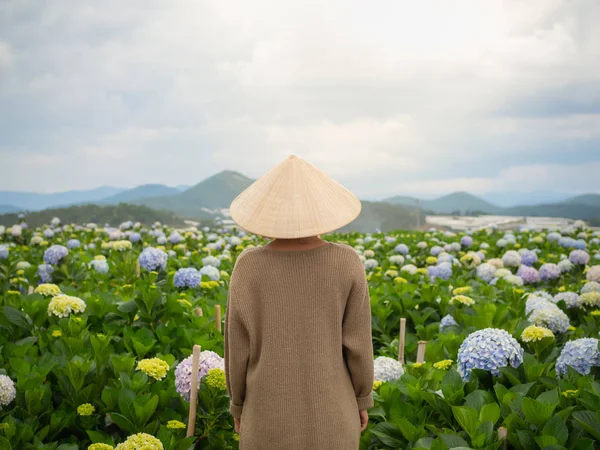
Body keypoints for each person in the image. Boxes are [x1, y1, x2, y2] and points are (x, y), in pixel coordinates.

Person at [224, 154, 375, 449]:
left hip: (264, 420)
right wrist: (361, 398)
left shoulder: (248, 266)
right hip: (334, 420)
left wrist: (238, 406)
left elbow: (237, 350)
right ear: (322, 210)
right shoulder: (346, 262)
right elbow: (358, 347)